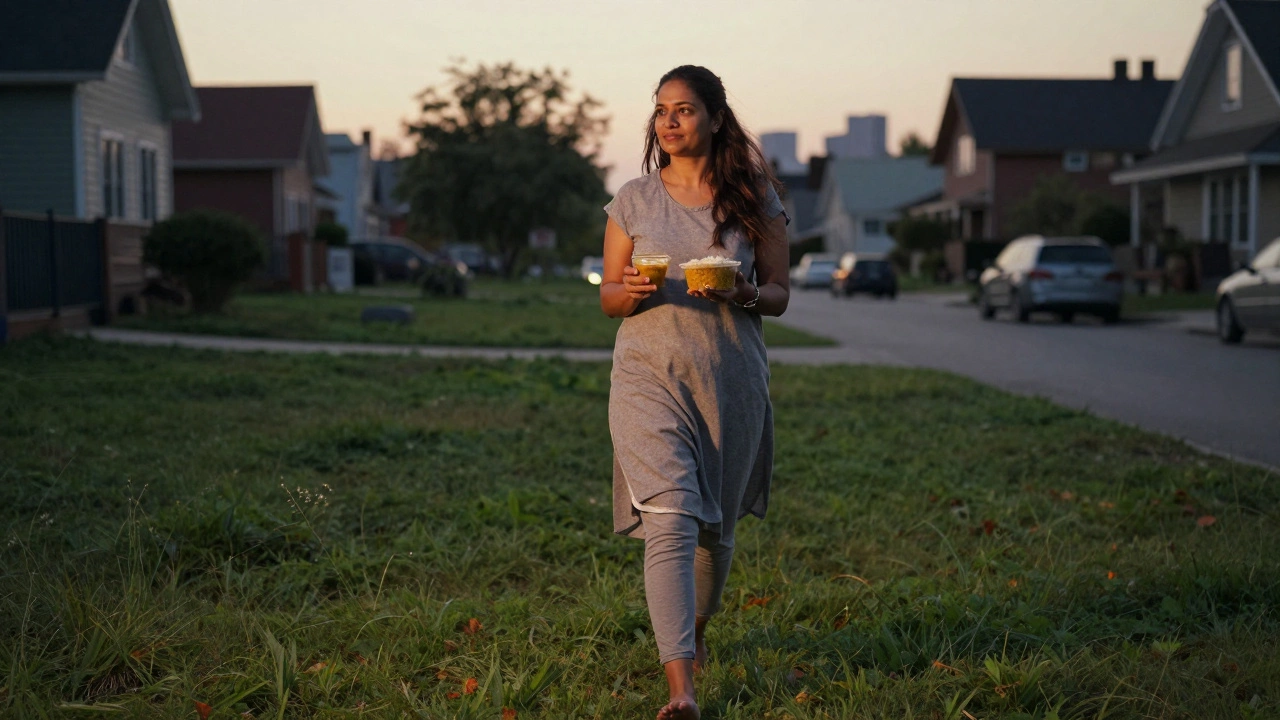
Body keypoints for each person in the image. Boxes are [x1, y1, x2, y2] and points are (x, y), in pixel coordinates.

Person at [599, 65, 790, 720]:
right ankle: (681, 691)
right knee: (672, 517)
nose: (669, 121)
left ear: (713, 116)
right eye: (660, 111)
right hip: (647, 376)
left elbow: (780, 294)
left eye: (683, 109)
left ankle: (695, 633)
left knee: (715, 534)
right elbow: (608, 296)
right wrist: (632, 292)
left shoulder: (753, 199)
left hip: (729, 380)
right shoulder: (632, 200)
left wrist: (744, 294)